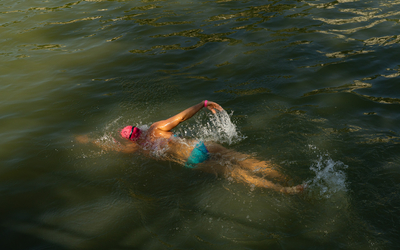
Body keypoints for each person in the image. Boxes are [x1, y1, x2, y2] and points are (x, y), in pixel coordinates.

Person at [77, 100, 304, 194]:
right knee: (242, 159)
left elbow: (109, 148)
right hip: (200, 145)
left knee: (235, 173)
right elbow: (183, 117)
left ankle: (283, 191)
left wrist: (89, 141)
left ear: (130, 139)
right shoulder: (156, 128)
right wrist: (204, 104)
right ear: (140, 128)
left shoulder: (136, 149)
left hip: (191, 162)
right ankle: (286, 180)